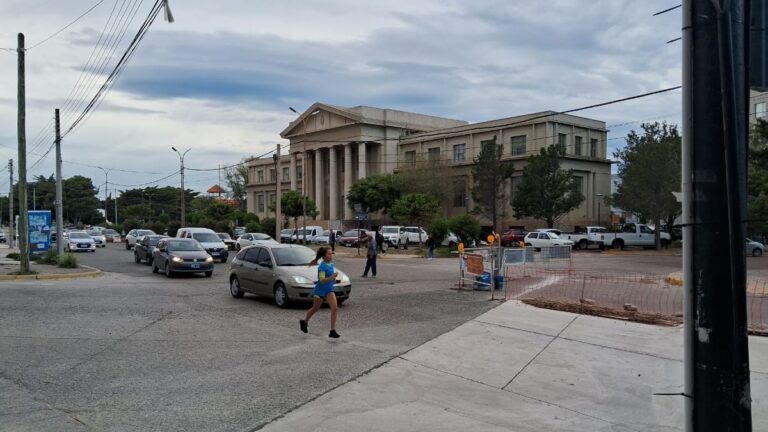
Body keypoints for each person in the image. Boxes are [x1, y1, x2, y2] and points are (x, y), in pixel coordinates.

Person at [300, 247, 340, 338]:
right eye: (329, 254)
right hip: (320, 290)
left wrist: (334, 279)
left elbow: (330, 277)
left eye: (331, 253)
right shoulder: (322, 267)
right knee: (315, 308)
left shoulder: (331, 264)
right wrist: (332, 277)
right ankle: (304, 321)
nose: (331, 256)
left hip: (329, 290)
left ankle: (332, 330)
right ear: (324, 256)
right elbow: (322, 280)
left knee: (335, 308)